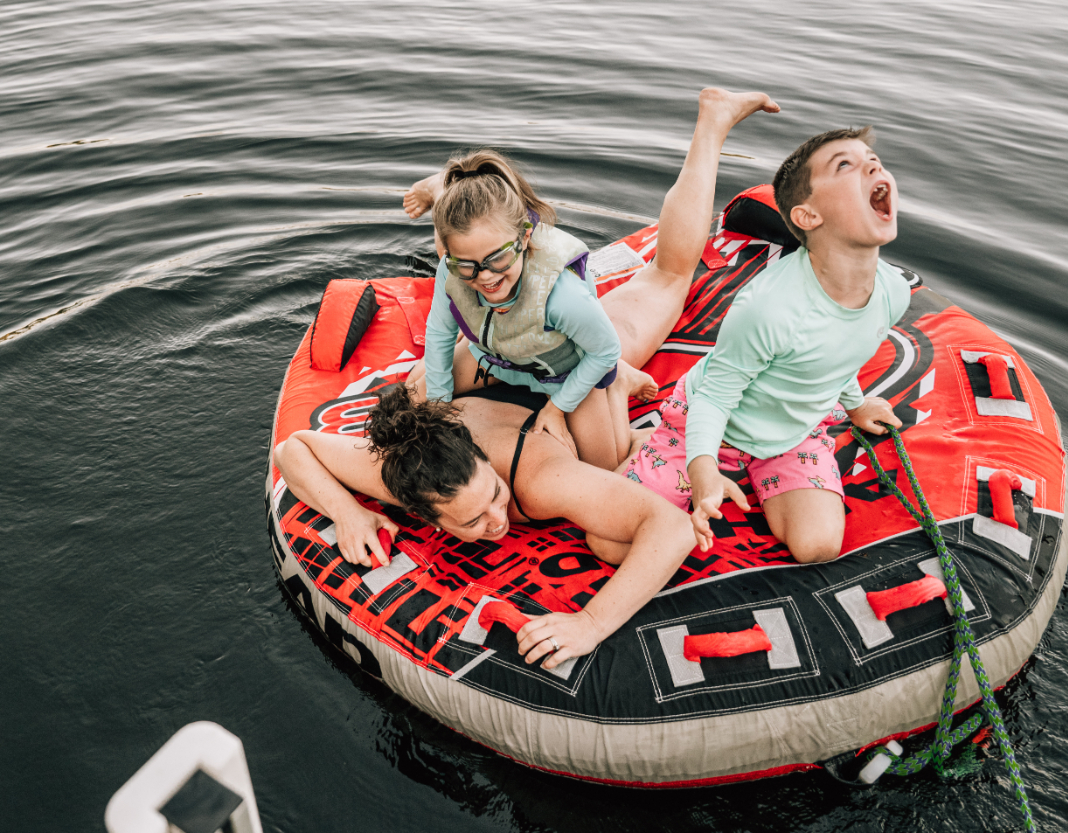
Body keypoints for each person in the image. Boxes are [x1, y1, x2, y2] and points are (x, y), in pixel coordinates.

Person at [275, 89, 780, 671]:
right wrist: (350, 512)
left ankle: (713, 122)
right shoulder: (401, 479)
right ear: (426, 515)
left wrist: (590, 622)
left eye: (491, 496)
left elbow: (667, 530)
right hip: (487, 365)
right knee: (433, 370)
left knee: (667, 280)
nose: (499, 517)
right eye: (472, 521)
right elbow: (298, 450)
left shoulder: (536, 480)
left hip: (555, 359)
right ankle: (452, 199)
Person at [624, 127, 908, 564]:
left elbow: (840, 351)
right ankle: (645, 443)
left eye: (872, 158)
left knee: (818, 546)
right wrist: (703, 471)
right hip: (710, 425)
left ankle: (763, 470)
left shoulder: (892, 292)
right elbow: (715, 399)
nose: (873, 165)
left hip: (792, 432)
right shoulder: (769, 307)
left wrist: (854, 406)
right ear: (808, 216)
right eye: (845, 165)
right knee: (611, 542)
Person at [401, 149, 658, 471]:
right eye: (467, 266)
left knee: (604, 468)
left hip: (562, 372)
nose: (486, 277)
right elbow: (440, 330)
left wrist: (557, 408)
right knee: (414, 397)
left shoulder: (562, 296)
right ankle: (443, 191)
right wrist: (439, 403)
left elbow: (605, 351)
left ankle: (620, 383)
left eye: (497, 259)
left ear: (523, 238)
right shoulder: (449, 270)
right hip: (497, 357)